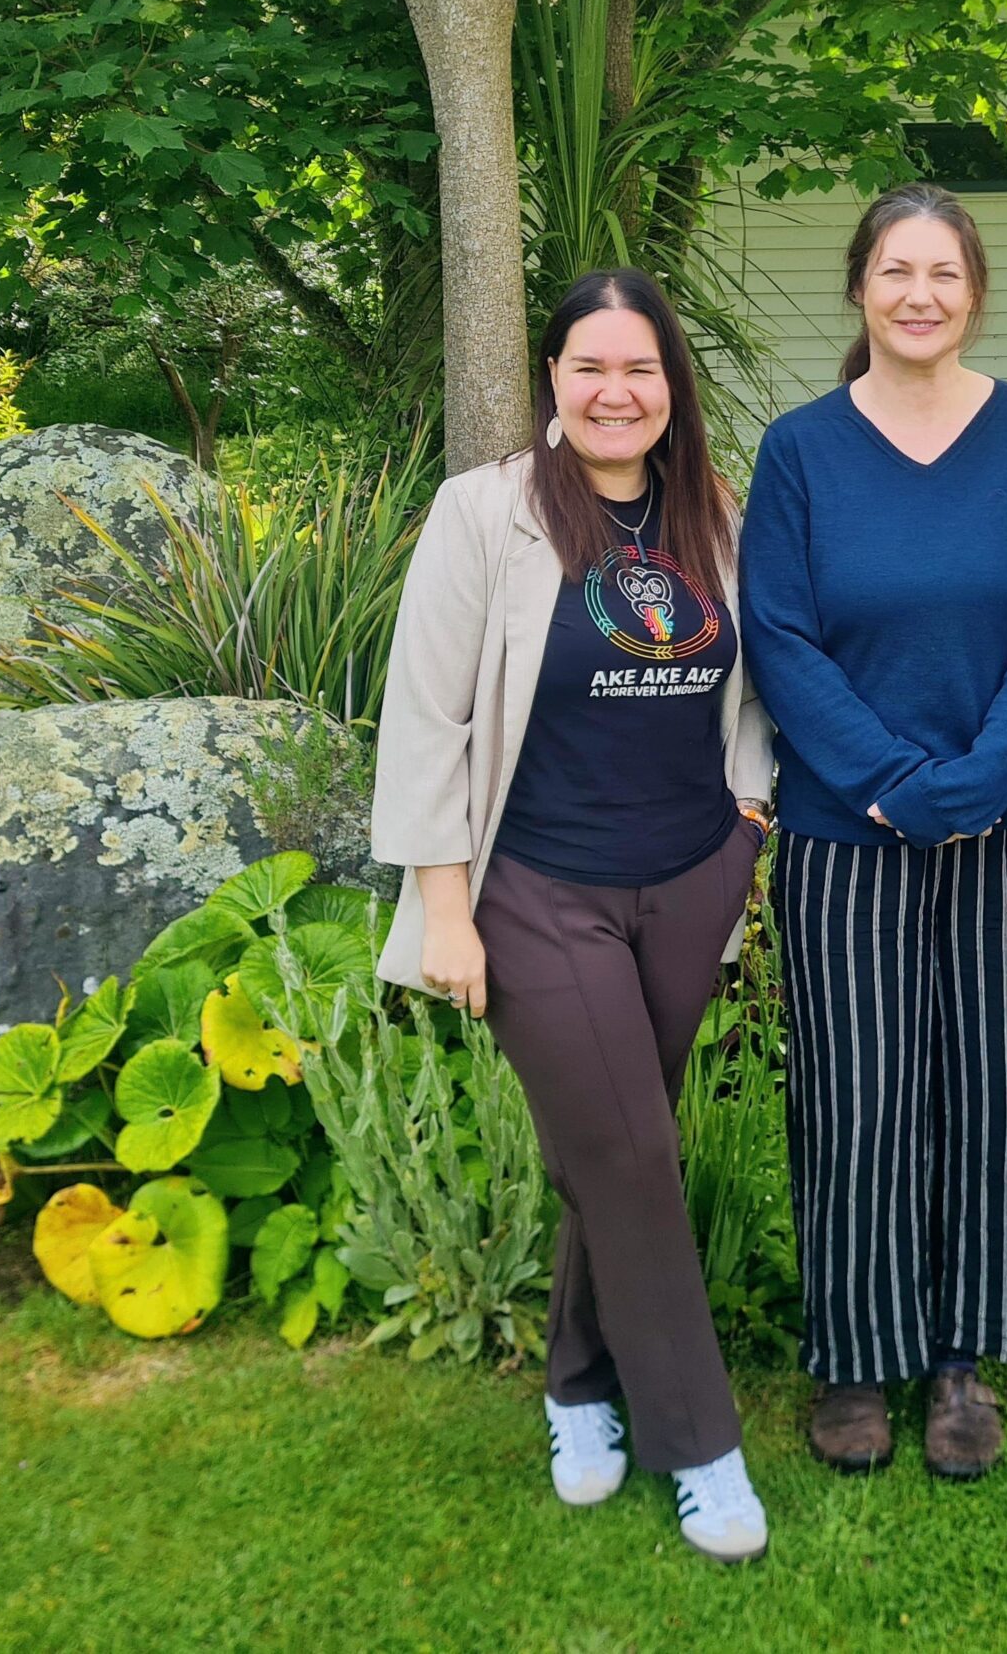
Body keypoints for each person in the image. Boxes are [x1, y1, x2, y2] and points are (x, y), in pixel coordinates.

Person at [371, 268, 777, 1564]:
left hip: (689, 875)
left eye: (641, 368)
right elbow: (425, 717)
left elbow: (760, 690)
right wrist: (445, 910)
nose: (617, 389)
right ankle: (699, 1442)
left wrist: (751, 819)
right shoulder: (485, 515)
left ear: (672, 386)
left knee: (613, 1149)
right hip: (537, 888)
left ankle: (575, 1380)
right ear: (553, 379)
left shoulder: (716, 516)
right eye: (590, 366)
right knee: (635, 1155)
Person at [740, 182, 1007, 1481]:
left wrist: (978, 780)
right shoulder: (802, 449)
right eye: (896, 269)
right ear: (860, 289)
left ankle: (961, 1357)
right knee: (858, 1094)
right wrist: (891, 780)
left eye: (943, 271)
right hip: (847, 831)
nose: (920, 293)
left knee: (997, 1091)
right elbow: (779, 632)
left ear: (975, 291)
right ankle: (852, 1355)